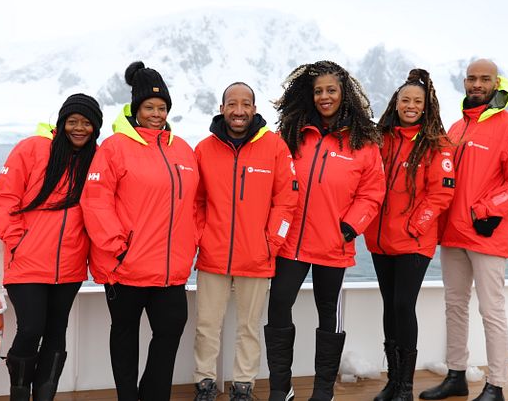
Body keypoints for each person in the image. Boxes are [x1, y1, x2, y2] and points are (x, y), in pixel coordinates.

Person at [265, 60, 386, 401]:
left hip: (334, 243)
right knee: (278, 306)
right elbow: (276, 183)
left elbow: (372, 192)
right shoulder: (293, 134)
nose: (324, 97)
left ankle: (322, 391)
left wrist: (350, 228)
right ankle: (281, 388)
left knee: (328, 314)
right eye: (318, 91)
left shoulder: (363, 142)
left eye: (331, 90)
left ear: (344, 93)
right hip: (292, 243)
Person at [418, 59, 508, 401]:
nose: (477, 84)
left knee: (491, 310)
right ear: (464, 82)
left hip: (487, 234)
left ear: (496, 82)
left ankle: (496, 384)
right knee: (454, 306)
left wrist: (485, 210)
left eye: (484, 79)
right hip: (453, 236)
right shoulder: (456, 128)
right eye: (471, 78)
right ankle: (456, 375)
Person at [81, 61, 199, 401]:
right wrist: (119, 246)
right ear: (136, 109)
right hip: (125, 266)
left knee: (170, 330)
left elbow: (195, 204)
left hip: (170, 270)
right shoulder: (115, 147)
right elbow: (96, 200)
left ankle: (153, 395)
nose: (157, 113)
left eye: (162, 108)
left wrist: (193, 241)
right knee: (125, 336)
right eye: (149, 107)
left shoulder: (182, 149)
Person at [0, 93, 103, 400]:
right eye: (73, 121)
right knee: (30, 330)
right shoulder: (32, 149)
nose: (79, 128)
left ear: (96, 128)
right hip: (27, 262)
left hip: (70, 266)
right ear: (61, 122)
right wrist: (17, 241)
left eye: (87, 123)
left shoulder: (96, 159)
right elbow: (3, 199)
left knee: (56, 334)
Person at [192, 82, 297, 401]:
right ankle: (205, 383)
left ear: (254, 108)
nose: (239, 111)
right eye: (232, 104)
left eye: (246, 104)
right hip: (213, 256)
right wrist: (201, 237)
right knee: (207, 326)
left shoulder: (275, 147)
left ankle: (243, 385)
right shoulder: (204, 149)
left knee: (249, 328)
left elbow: (287, 202)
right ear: (222, 107)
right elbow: (195, 202)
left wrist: (271, 243)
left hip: (257, 256)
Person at [363, 69, 455, 401]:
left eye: (418, 101)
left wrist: (415, 225)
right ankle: (392, 380)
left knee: (404, 304)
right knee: (390, 306)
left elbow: (442, 194)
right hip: (379, 240)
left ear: (427, 106)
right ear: (396, 103)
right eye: (406, 100)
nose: (411, 105)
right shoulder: (381, 138)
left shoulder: (437, 143)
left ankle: (405, 386)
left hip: (414, 241)